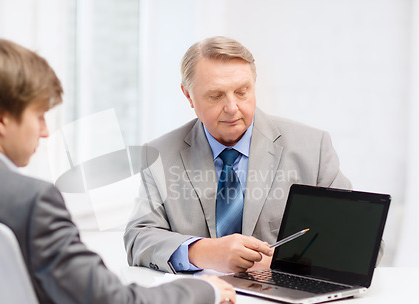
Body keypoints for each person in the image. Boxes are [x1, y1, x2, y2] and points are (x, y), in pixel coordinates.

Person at [0, 38, 236, 304]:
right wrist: (205, 289)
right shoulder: (31, 202)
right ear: (0, 120)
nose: (45, 132)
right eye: (39, 116)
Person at [124, 36, 353, 274]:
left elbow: (359, 239)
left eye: (242, 92)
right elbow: (138, 238)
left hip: (285, 303)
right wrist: (203, 252)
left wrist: (287, 262)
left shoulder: (312, 148)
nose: (232, 108)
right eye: (216, 95)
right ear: (188, 96)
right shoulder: (160, 155)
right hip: (202, 302)